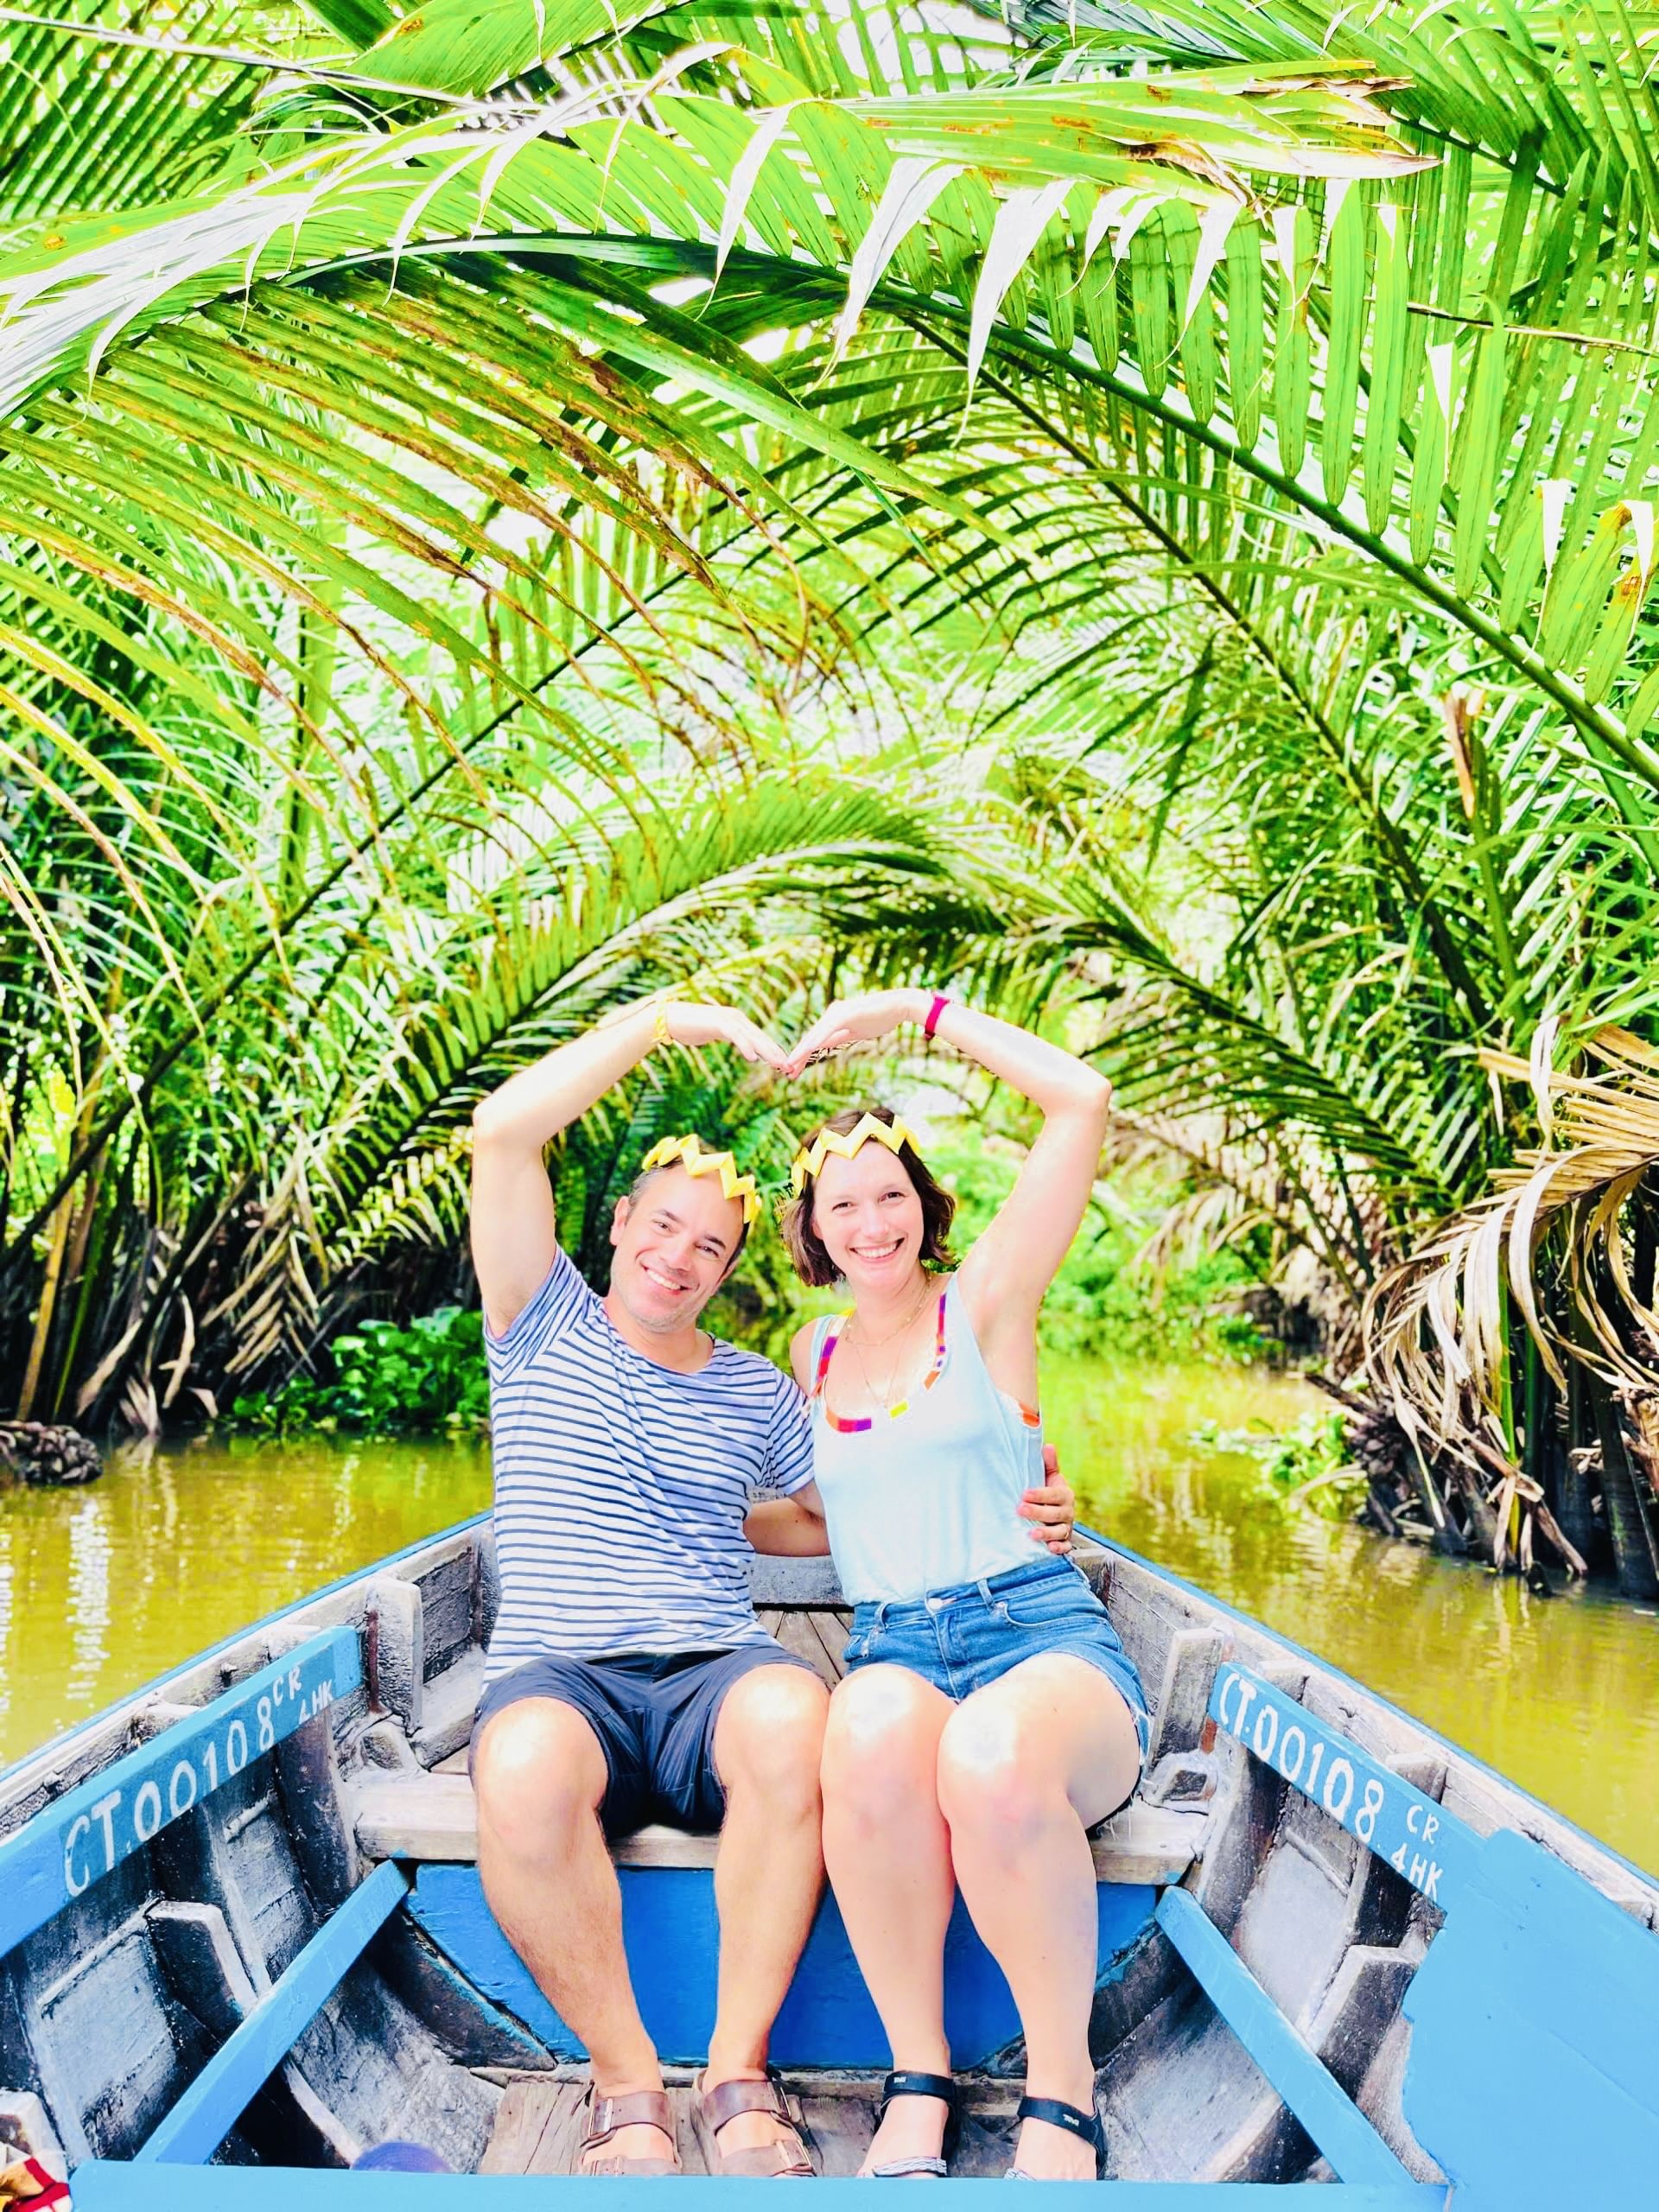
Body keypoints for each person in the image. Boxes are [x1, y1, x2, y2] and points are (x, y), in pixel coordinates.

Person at [467, 997, 1077, 2177]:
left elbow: (844, 1500)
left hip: (710, 1667)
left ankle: (738, 2072)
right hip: (561, 1671)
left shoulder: (758, 1390)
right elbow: (502, 1133)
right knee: (527, 1768)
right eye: (662, 1226)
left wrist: (1027, 1492)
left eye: (709, 1243)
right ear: (616, 1229)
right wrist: (660, 1022)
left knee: (804, 1714)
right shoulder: (535, 1322)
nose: (677, 1254)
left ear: (734, 1268)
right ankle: (629, 2083)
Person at [773, 989, 1151, 2183]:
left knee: (988, 1754)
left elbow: (1080, 1101)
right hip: (894, 1645)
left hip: (1034, 1639)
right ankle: (920, 2076)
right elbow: (831, 1518)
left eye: (891, 1195)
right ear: (815, 1228)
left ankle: (1063, 2084)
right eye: (846, 1204)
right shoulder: (812, 1352)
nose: (872, 1221)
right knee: (866, 1730)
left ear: (923, 1207)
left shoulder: (984, 1301)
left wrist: (915, 1011)